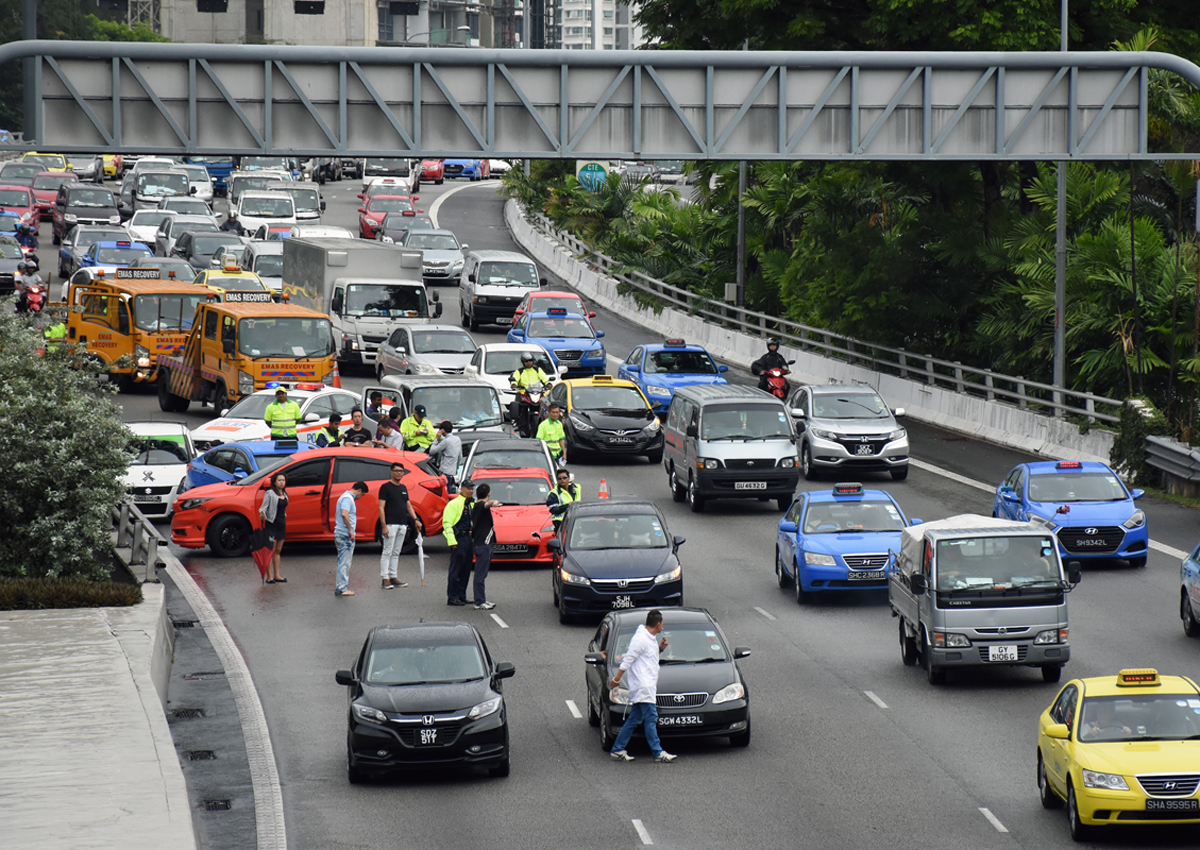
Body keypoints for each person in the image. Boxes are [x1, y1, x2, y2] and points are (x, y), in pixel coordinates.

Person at [608, 609, 677, 763]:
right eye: (662, 624)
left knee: (634, 718)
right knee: (651, 717)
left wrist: (660, 649)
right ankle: (657, 752)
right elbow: (628, 659)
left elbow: (648, 658)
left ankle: (617, 749)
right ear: (658, 624)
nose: (662, 626)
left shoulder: (649, 637)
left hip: (647, 684)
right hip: (643, 686)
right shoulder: (640, 639)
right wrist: (617, 678)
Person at [378, 461, 421, 590]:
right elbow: (381, 507)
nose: (399, 473)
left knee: (396, 552)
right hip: (390, 524)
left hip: (403, 524)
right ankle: (385, 578)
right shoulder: (385, 487)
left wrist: (415, 519)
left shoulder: (403, 488)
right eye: (396, 471)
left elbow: (408, 505)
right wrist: (384, 526)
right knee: (387, 551)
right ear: (391, 472)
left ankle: (393, 576)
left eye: (401, 471)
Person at [441, 479, 475, 606]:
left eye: (472, 488)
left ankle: (462, 595)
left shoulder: (471, 504)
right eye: (468, 488)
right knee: (456, 569)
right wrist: (452, 541)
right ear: (462, 489)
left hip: (469, 538)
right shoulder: (454, 504)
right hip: (459, 539)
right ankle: (452, 596)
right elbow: (447, 523)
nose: (470, 491)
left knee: (466, 569)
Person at [470, 482, 502, 610]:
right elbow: (486, 504)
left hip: (483, 545)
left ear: (476, 494)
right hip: (482, 545)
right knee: (480, 575)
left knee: (482, 574)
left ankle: (481, 599)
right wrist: (493, 502)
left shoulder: (476, 506)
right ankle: (479, 601)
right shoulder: (480, 506)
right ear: (489, 494)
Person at [334, 481, 369, 597]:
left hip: (341, 533)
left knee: (342, 561)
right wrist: (350, 529)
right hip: (344, 534)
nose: (360, 497)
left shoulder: (344, 496)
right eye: (362, 494)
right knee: (345, 562)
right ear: (359, 490)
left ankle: (341, 586)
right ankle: (342, 588)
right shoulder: (348, 499)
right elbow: (345, 513)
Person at [258, 471, 288, 584]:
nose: (282, 482)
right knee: (270, 550)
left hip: (281, 524)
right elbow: (263, 508)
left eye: (283, 480)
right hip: (272, 523)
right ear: (274, 482)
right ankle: (269, 576)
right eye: (279, 480)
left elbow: (282, 508)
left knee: (278, 550)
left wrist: (284, 515)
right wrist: (262, 514)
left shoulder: (284, 493)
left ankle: (277, 575)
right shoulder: (270, 493)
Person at [509, 353, 551, 423]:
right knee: (518, 404)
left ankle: (546, 419)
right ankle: (517, 420)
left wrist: (548, 383)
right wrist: (514, 384)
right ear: (523, 362)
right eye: (527, 361)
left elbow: (544, 377)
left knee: (546, 403)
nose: (529, 363)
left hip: (536, 391)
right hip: (524, 392)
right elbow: (515, 379)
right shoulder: (519, 371)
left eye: (530, 361)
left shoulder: (537, 369)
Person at [428, 420, 462, 492]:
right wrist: (456, 468)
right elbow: (460, 456)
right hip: (453, 472)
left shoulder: (446, 441)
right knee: (450, 492)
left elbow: (432, 451)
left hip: (445, 472)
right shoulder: (457, 439)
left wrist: (436, 439)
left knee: (445, 492)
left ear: (442, 430)